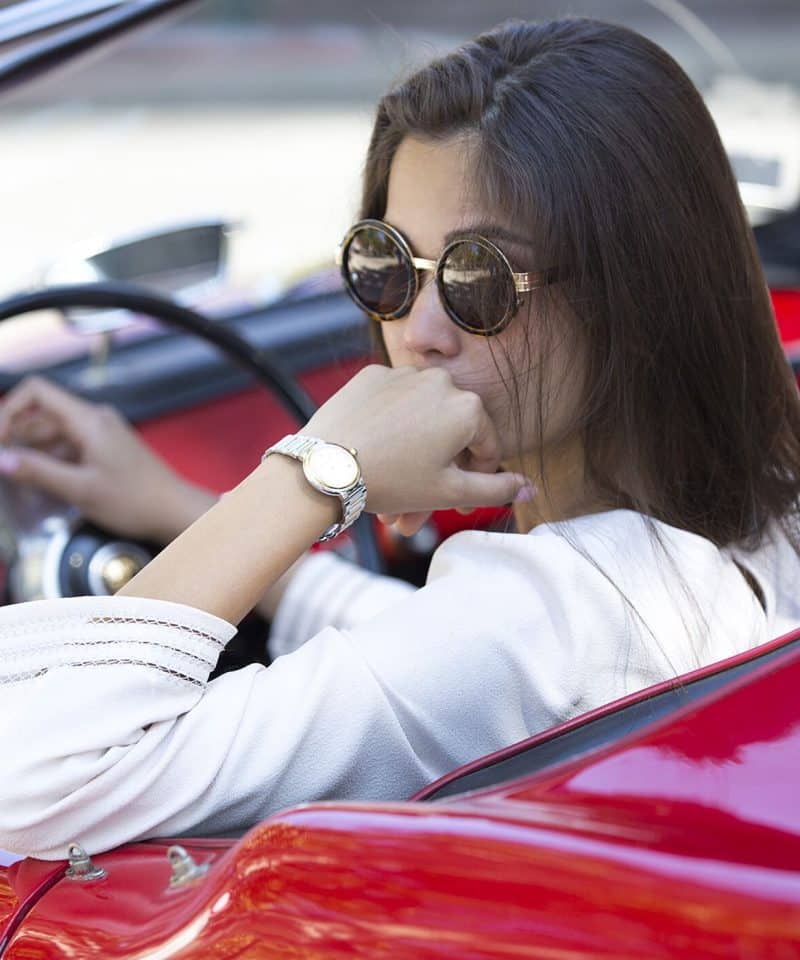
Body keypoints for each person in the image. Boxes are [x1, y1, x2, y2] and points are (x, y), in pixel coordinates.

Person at [1, 16, 800, 861]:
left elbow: (33, 770)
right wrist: (177, 506)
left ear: (634, 294)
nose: (417, 333)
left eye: (480, 277)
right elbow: (420, 650)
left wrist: (313, 471)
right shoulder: (754, 516)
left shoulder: (542, 622)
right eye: (387, 265)